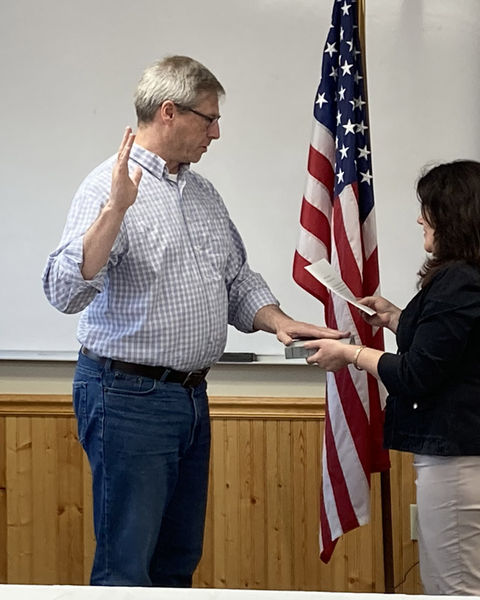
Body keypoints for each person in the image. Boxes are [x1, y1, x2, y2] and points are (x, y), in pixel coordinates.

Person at [42, 55, 345, 588]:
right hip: (127, 395)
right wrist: (115, 211)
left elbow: (235, 280)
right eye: (209, 118)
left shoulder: (201, 192)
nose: (217, 133)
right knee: (127, 566)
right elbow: (64, 292)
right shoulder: (106, 188)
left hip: (188, 397)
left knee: (178, 557)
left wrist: (277, 320)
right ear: (168, 113)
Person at [303, 160, 480, 596]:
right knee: (450, 584)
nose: (419, 219)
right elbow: (450, 347)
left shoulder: (460, 281)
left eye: (427, 209)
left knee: (454, 590)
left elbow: (417, 374)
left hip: (461, 457)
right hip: (469, 452)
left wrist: (351, 353)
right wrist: (394, 317)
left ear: (454, 217)